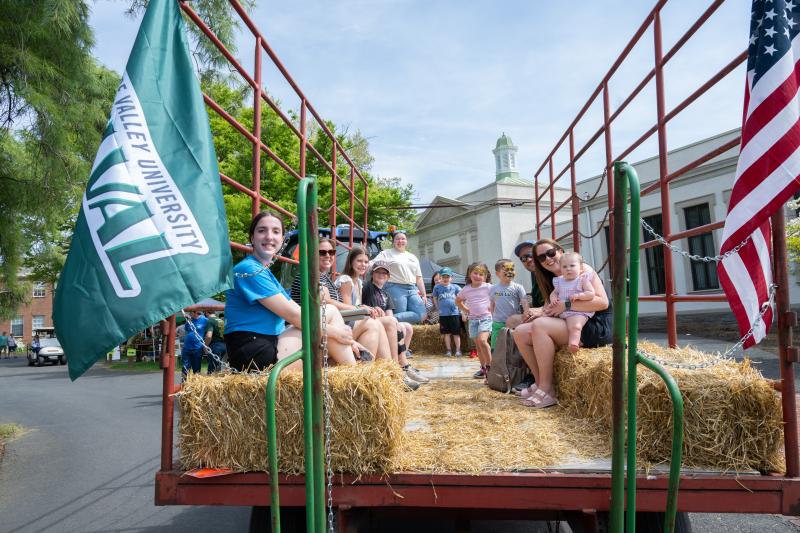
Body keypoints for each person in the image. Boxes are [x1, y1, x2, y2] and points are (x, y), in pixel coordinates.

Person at [226, 211, 359, 372]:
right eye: (262, 231)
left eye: (276, 231)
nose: (269, 236)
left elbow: (297, 312)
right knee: (328, 314)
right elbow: (294, 316)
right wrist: (338, 334)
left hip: (269, 344)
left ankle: (354, 377)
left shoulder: (263, 271)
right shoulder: (249, 269)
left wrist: (345, 338)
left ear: (282, 240)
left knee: (329, 316)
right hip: (255, 354)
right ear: (252, 238)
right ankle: (356, 379)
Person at [512, 239, 610, 409]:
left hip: (595, 325)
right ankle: (540, 382)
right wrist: (539, 311)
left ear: (560, 250)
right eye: (542, 258)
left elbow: (602, 303)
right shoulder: (554, 280)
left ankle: (547, 389)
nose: (548, 259)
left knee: (540, 326)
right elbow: (551, 308)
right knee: (519, 332)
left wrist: (566, 305)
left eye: (550, 253)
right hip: (570, 323)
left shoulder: (582, 270)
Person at [292, 238, 391, 360]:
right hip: (314, 331)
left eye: (331, 252)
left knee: (375, 322)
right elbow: (326, 301)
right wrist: (359, 308)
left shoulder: (323, 276)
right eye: (322, 252)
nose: (328, 255)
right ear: (312, 254)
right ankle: (368, 373)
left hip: (326, 327)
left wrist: (362, 308)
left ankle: (390, 370)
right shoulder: (310, 275)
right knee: (372, 324)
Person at [362, 260, 429, 388]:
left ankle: (402, 364)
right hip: (371, 321)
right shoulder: (368, 287)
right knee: (395, 323)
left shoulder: (386, 294)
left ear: (388, 276)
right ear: (372, 274)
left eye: (384, 273)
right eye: (378, 272)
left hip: (384, 321)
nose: (381, 275)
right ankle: (401, 367)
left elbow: (389, 314)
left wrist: (395, 322)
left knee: (407, 327)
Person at [373, 231, 427, 324]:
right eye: (397, 239)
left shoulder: (412, 257)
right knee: (401, 313)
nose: (400, 241)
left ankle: (386, 319)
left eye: (403, 239)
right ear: (393, 242)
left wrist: (424, 294)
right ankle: (390, 322)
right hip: (394, 287)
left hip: (412, 288)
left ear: (406, 241)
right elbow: (373, 263)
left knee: (422, 315)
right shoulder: (386, 253)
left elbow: (419, 277)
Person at [550, 252, 596, 353]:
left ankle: (574, 343)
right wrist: (553, 299)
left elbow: (591, 293)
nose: (568, 269)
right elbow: (553, 293)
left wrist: (579, 296)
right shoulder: (560, 281)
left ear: (580, 268)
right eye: (564, 266)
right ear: (561, 269)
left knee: (575, 326)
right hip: (561, 311)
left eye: (572, 265)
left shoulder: (582, 280)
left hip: (577, 311)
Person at [456, 262, 493, 380]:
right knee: (478, 345)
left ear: (486, 276)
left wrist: (493, 307)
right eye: (475, 273)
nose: (478, 276)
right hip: (473, 320)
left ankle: (491, 367)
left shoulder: (488, 287)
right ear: (469, 274)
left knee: (483, 341)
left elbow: (497, 298)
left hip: (485, 317)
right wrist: (466, 310)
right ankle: (483, 368)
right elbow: (458, 301)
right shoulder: (466, 289)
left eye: (481, 274)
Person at [489, 259, 529, 349]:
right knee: (496, 347)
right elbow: (492, 304)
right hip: (498, 323)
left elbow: (524, 302)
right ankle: (497, 362)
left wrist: (526, 312)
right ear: (497, 274)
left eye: (512, 269)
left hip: (513, 324)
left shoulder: (518, 287)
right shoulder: (493, 289)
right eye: (506, 270)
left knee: (513, 347)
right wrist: (492, 318)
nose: (510, 272)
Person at [432, 267, 462, 356]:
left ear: (451, 278)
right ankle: (448, 350)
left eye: (447, 277)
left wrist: (461, 307)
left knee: (456, 333)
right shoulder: (437, 287)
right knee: (446, 333)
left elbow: (462, 296)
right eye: (443, 277)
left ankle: (458, 350)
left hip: (454, 313)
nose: (445, 279)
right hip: (443, 314)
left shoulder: (455, 287)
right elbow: (434, 297)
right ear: (440, 277)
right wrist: (437, 307)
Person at [181, 310, 208, 378]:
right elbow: (187, 329)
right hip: (187, 347)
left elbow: (209, 332)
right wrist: (188, 320)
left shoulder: (205, 320)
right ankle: (184, 384)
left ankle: (195, 384)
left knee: (196, 368)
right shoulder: (190, 320)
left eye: (190, 312)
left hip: (197, 348)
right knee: (185, 367)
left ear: (196, 312)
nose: (189, 314)